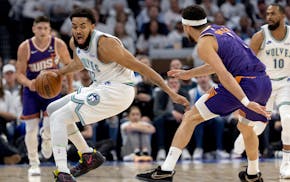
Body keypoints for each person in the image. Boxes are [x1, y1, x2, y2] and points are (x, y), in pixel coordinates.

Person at [46, 8, 189, 182]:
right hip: (99, 87)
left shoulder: (106, 45)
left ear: (92, 26)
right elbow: (79, 62)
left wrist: (170, 93)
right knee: (52, 109)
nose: (78, 30)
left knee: (59, 118)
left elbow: (142, 68)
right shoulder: (74, 42)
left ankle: (63, 173)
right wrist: (59, 73)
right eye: (74, 26)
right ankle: (89, 156)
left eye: (83, 26)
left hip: (119, 90)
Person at [136, 5, 271, 182]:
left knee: (190, 117)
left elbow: (223, 74)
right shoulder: (222, 30)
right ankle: (253, 174)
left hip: (241, 84)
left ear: (186, 27)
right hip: (263, 82)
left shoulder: (203, 44)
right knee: (245, 128)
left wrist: (245, 102)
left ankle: (166, 170)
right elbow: (217, 65)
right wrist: (188, 73)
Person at [232, 4, 290, 178]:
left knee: (288, 118)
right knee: (258, 127)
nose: (269, 16)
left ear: (283, 16)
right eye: (267, 14)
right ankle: (245, 135)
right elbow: (246, 65)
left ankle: (286, 163)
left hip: (286, 84)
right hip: (264, 85)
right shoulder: (260, 36)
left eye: (273, 14)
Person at [16, 16, 73, 176]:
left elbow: (69, 66)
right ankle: (34, 163)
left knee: (50, 125)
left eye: (45, 28)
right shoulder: (25, 47)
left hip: (51, 91)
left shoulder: (58, 44)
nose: (42, 31)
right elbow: (19, 74)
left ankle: (47, 139)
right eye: (39, 28)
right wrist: (29, 83)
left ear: (50, 30)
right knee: (30, 129)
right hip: (32, 91)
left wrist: (69, 88)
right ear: (34, 29)